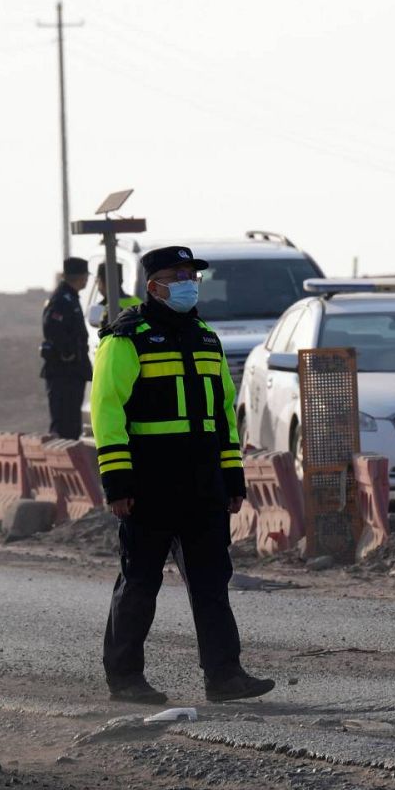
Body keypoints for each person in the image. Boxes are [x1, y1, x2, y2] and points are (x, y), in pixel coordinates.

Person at [92, 246, 276, 704]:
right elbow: (107, 412)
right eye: (179, 275)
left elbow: (223, 417)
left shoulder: (205, 337)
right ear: (154, 284)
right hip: (148, 485)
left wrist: (232, 477)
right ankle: (126, 677)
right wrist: (117, 482)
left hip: (202, 485)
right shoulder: (125, 338)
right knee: (140, 583)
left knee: (212, 582)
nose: (189, 282)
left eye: (192, 275)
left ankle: (225, 676)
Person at [41, 256, 91, 439]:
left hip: (72, 371)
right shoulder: (62, 298)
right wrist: (68, 353)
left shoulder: (70, 297)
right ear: (81, 277)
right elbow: (52, 328)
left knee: (71, 421)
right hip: (63, 371)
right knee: (64, 422)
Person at [88, 261, 141, 328]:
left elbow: (94, 323)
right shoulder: (137, 301)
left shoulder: (105, 308)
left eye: (97, 281)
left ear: (101, 281)